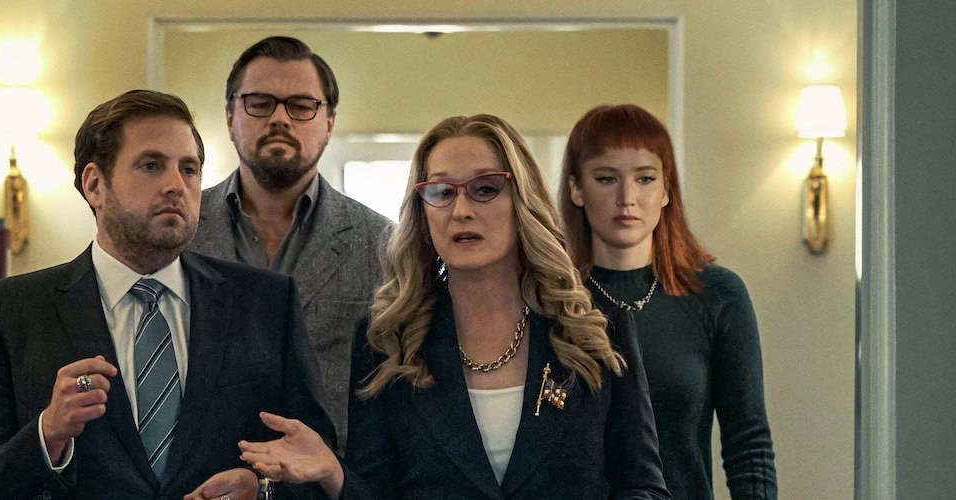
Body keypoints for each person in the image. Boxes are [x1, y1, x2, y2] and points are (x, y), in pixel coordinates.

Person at [236, 114, 670, 499]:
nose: (461, 210)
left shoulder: (595, 325)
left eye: (485, 189)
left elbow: (643, 485)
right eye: (441, 192)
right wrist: (334, 474)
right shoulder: (386, 341)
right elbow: (377, 489)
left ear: (522, 201)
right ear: (423, 212)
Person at [0, 89, 334, 500]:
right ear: (95, 185)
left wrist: (262, 491)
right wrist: (48, 435)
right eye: (151, 166)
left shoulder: (266, 303)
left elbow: (319, 471)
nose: (176, 185)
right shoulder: (10, 311)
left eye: (189, 169)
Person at [557, 104, 778, 499]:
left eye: (645, 179)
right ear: (577, 189)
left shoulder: (718, 295)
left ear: (666, 190)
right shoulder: (549, 297)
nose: (627, 198)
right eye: (606, 179)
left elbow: (748, 444)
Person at [189, 36, 393, 452]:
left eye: (301, 106)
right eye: (259, 103)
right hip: (203, 471)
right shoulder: (181, 232)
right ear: (230, 117)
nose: (280, 119)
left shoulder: (382, 243)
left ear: (329, 122)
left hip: (331, 471)